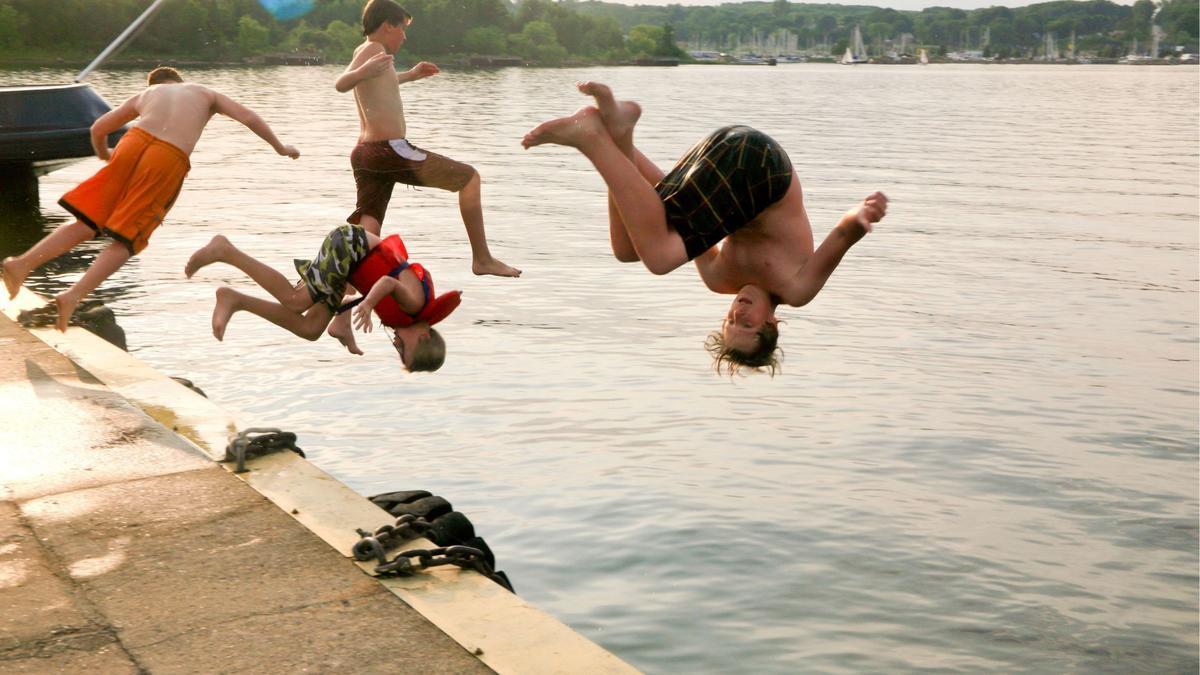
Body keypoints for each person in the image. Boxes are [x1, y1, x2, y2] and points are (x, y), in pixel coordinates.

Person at [522, 82, 888, 376]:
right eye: (748, 327)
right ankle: (592, 138)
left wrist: (627, 155)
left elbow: (666, 206)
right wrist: (860, 217)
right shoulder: (795, 288)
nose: (738, 315)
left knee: (627, 249)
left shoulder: (718, 277)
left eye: (730, 323)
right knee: (661, 259)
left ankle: (618, 134)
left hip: (726, 152)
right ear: (772, 323)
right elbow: (841, 236)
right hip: (761, 167)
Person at [0, 66, 299, 331]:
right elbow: (247, 116)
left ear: (154, 84)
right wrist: (279, 147)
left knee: (86, 222)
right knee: (126, 239)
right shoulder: (204, 92)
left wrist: (107, 158)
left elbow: (99, 129)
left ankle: (21, 264)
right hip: (167, 157)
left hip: (132, 143)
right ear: (180, 80)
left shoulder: (148, 95)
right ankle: (71, 296)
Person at [334, 0, 520, 278]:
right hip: (388, 149)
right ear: (387, 26)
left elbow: (380, 85)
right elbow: (342, 83)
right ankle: (482, 259)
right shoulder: (373, 49)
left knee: (369, 227)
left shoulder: (369, 52)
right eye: (402, 29)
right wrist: (363, 71)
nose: (404, 36)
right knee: (469, 179)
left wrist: (410, 75)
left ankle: (342, 302)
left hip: (366, 154)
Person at [183, 224, 461, 372]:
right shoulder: (414, 305)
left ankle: (236, 300)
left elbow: (365, 285)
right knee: (295, 300)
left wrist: (345, 322)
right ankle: (225, 250)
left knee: (310, 329)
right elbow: (386, 282)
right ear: (423, 336)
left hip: (350, 265)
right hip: (349, 245)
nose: (397, 345)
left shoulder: (406, 317)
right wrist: (366, 304)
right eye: (403, 349)